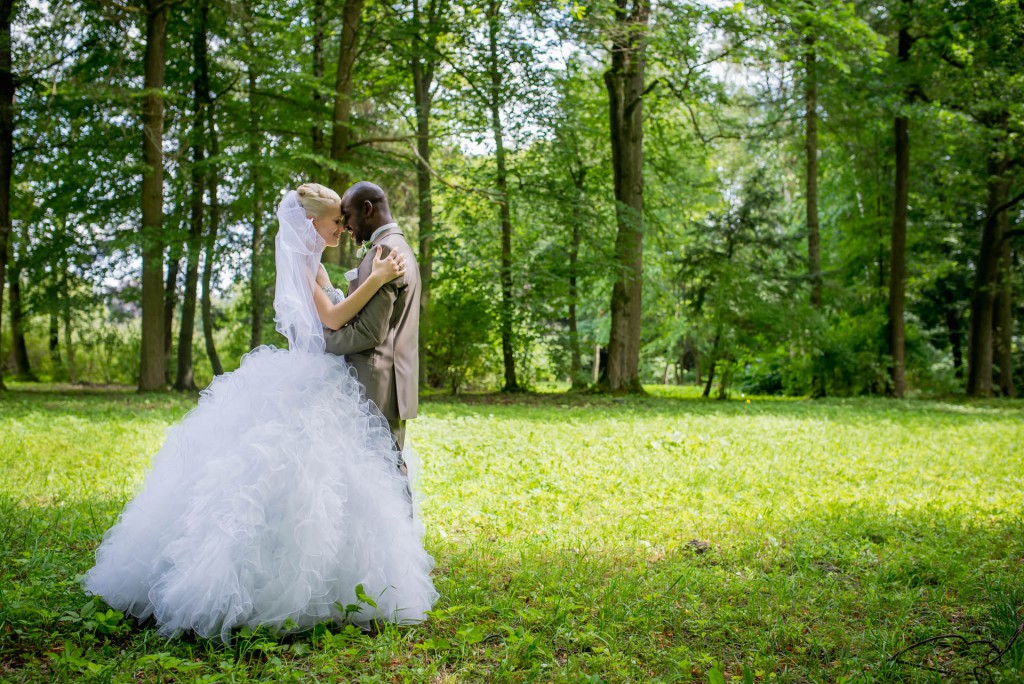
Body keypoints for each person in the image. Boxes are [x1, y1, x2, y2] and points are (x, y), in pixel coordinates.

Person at [83, 183, 438, 644]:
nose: (343, 227)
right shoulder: (303, 264)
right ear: (312, 223)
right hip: (315, 373)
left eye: (345, 218)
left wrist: (366, 278)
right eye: (335, 221)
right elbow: (331, 321)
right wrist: (372, 279)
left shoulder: (321, 262)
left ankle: (350, 579)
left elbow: (344, 312)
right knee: (291, 478)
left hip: (326, 376)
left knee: (331, 481)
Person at [321, 181, 420, 469]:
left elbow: (369, 332)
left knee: (383, 469)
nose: (345, 225)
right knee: (380, 468)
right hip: (386, 378)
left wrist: (322, 341)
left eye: (347, 216)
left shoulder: (386, 249)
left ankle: (400, 518)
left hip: (375, 381)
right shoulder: (394, 246)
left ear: (366, 209)